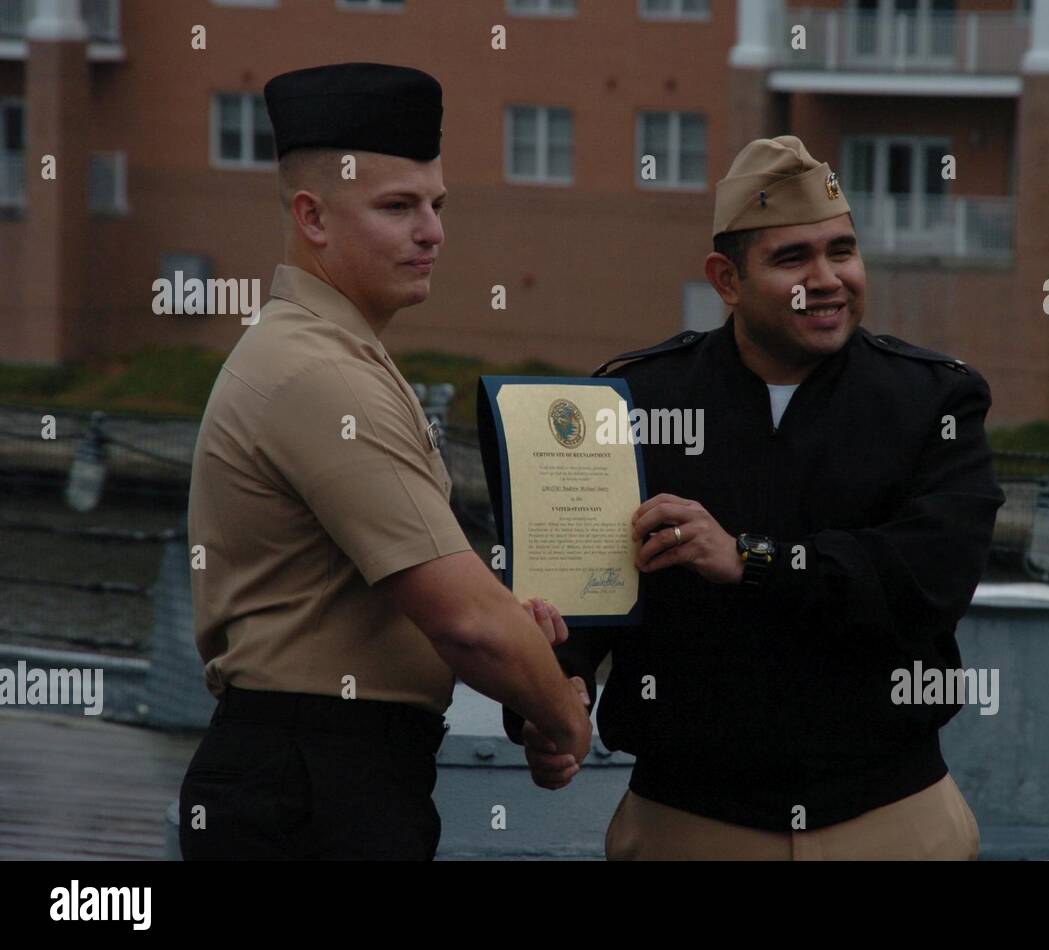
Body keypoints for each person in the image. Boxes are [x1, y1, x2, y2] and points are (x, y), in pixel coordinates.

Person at [505, 135, 1005, 860]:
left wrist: (753, 559)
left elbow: (929, 579)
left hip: (890, 819)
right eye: (793, 258)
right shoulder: (635, 401)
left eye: (843, 250)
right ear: (726, 279)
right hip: (690, 825)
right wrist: (553, 699)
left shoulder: (933, 400)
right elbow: (580, 597)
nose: (829, 278)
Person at [180, 62, 590, 861]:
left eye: (436, 205)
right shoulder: (324, 373)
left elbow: (448, 612)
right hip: (314, 782)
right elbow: (466, 623)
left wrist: (515, 637)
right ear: (313, 217)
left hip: (321, 772)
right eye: (397, 207)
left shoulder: (330, 356)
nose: (432, 231)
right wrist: (565, 718)